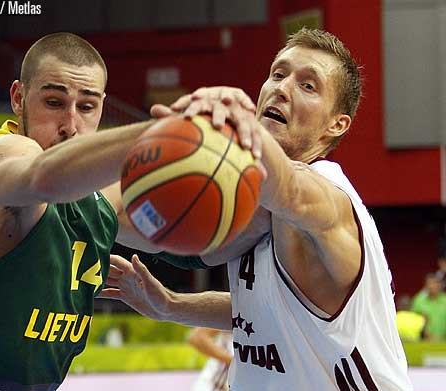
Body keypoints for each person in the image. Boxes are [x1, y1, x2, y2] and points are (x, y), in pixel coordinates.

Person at [0, 32, 261, 391]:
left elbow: (211, 248)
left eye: (86, 106)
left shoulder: (102, 201)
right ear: (18, 98)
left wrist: (250, 156)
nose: (70, 125)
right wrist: (175, 131)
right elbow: (42, 178)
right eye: (54, 103)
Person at [102, 28, 413, 390]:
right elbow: (256, 311)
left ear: (336, 125)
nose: (282, 88)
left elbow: (291, 189)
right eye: (278, 74)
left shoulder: (327, 194)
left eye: (308, 85)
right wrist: (169, 305)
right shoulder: (253, 200)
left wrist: (237, 127)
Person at [411, 273, 446, 341]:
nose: (432, 286)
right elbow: (412, 321)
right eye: (430, 283)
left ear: (440, 285)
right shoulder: (418, 301)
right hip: (424, 341)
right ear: (426, 285)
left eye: (435, 283)